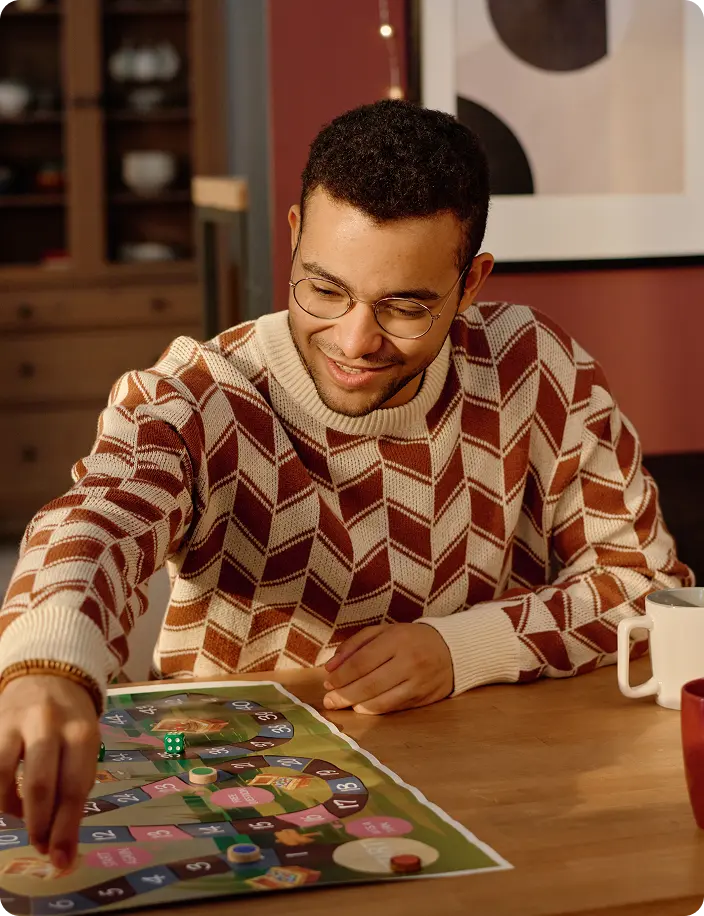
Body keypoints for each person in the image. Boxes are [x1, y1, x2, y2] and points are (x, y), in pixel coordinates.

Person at [0, 100, 691, 869]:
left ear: (471, 285)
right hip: (242, 816)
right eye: (324, 290)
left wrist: (462, 648)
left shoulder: (536, 367)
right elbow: (97, 518)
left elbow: (646, 586)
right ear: (294, 234)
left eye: (405, 306)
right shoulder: (200, 396)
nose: (355, 342)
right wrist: (48, 665)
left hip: (502, 794)